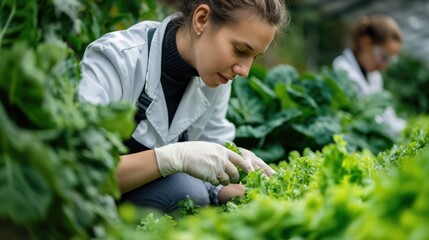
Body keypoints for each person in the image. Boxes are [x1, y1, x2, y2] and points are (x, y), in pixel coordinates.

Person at [78, 0, 288, 212]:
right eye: (241, 50)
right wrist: (173, 158)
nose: (245, 71)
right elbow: (82, 171)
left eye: (254, 57)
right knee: (185, 192)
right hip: (89, 209)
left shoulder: (216, 77)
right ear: (201, 19)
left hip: (138, 203)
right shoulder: (116, 59)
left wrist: (250, 185)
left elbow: (210, 173)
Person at [333, 14, 406, 137]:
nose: (385, 66)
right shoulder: (342, 70)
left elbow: (387, 116)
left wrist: (407, 129)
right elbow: (370, 121)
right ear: (366, 42)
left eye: (391, 60)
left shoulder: (375, 77)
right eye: (384, 57)